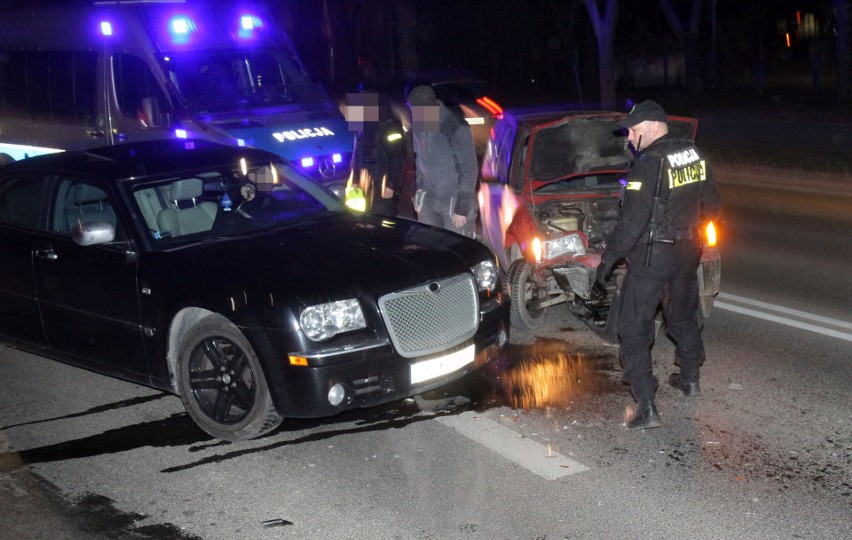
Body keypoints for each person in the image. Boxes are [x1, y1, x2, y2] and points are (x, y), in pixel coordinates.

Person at [595, 99, 722, 430]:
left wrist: (608, 259)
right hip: (687, 252)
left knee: (633, 326)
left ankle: (646, 404)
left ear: (652, 127)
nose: (629, 138)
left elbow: (633, 220)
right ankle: (690, 378)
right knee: (681, 314)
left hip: (653, 256)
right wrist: (697, 240)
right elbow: (712, 204)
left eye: (634, 131)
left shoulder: (649, 163)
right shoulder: (695, 154)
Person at [406, 85, 478, 237]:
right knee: (431, 248)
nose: (412, 113)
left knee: (456, 250)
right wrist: (419, 188)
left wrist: (462, 208)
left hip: (453, 202)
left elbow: (469, 168)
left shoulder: (455, 126)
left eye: (413, 109)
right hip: (429, 201)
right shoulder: (420, 122)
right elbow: (419, 157)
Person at [348, 92, 405, 216]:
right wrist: (355, 179)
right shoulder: (361, 127)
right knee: (363, 218)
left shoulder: (390, 127)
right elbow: (357, 155)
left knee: (383, 218)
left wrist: (391, 184)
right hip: (364, 184)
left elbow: (397, 157)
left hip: (382, 184)